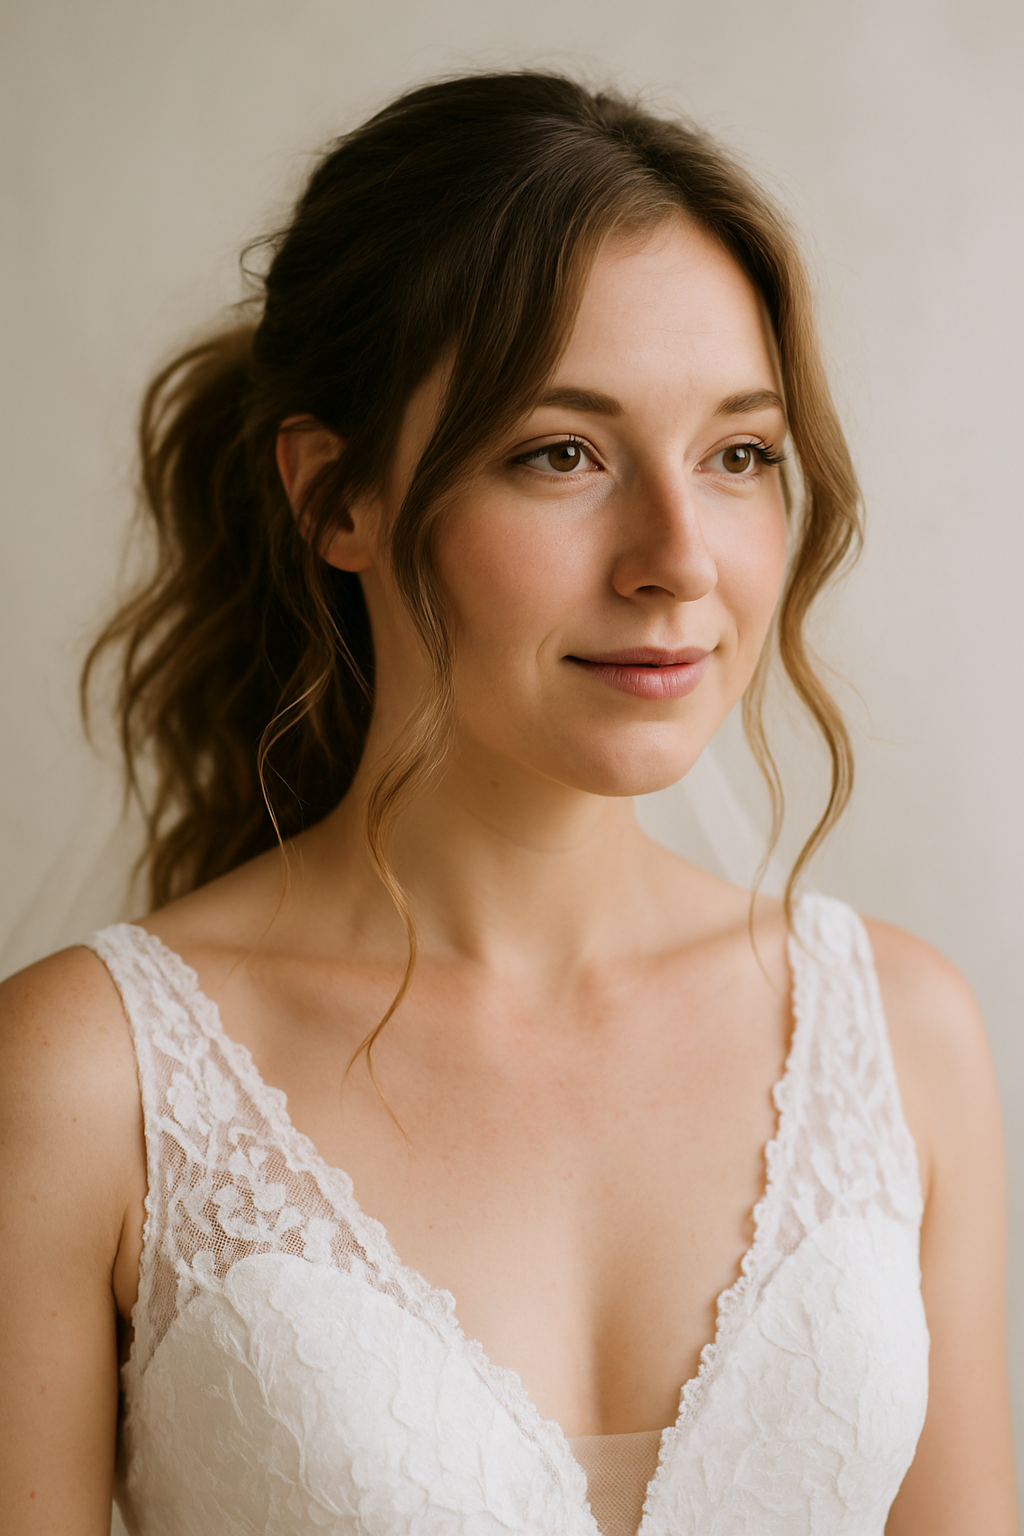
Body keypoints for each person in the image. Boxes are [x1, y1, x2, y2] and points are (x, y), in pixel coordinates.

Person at [0, 71, 1015, 1536]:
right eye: (564, 454)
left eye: (739, 454)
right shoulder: (86, 1085)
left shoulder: (901, 1039)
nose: (679, 559)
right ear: (333, 497)